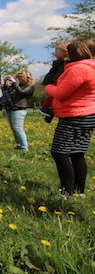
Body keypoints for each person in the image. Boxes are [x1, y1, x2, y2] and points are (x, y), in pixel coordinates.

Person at [45, 39, 95, 197]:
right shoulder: (91, 67)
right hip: (88, 115)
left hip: (75, 115)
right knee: (77, 152)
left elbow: (61, 93)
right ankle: (78, 191)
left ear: (76, 52)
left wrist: (48, 87)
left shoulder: (80, 69)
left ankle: (67, 191)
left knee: (59, 152)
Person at [3, 70, 35, 151]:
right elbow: (6, 92)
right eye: (17, 77)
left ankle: (24, 148)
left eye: (20, 77)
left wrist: (14, 82)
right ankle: (19, 145)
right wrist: (5, 83)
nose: (18, 78)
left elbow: (21, 92)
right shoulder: (17, 85)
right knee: (14, 128)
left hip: (19, 109)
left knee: (18, 128)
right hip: (10, 108)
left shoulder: (30, 86)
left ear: (26, 77)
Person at [40, 41, 70, 123]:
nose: (55, 54)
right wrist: (46, 83)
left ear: (66, 52)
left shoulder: (69, 62)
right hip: (56, 82)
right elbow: (51, 74)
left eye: (57, 51)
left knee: (54, 99)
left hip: (61, 82)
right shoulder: (58, 62)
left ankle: (49, 112)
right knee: (52, 98)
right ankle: (47, 110)